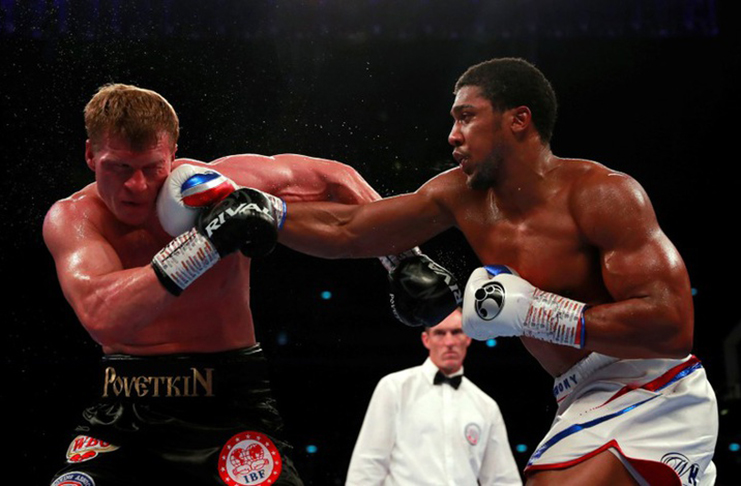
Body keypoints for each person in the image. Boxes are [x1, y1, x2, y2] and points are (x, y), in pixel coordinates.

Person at [278, 58, 719, 485]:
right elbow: (348, 229)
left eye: (466, 117)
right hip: (577, 394)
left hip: (652, 385)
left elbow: (672, 326)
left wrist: (536, 313)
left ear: (518, 119)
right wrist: (268, 215)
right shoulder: (459, 195)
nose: (453, 136)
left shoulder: (602, 194)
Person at [43, 83, 451, 486]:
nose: (137, 186)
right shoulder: (76, 219)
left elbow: (334, 177)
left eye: (152, 168)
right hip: (123, 414)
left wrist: (403, 259)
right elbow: (103, 316)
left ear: (173, 154)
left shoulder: (223, 182)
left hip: (231, 405)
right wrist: (207, 244)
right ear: (91, 155)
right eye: (119, 167)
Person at [346, 310, 522, 485]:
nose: (449, 342)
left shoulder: (486, 406)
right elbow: (368, 464)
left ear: (468, 338)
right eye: (439, 333)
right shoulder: (395, 388)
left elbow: (502, 479)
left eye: (456, 332)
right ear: (426, 340)